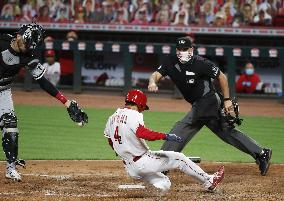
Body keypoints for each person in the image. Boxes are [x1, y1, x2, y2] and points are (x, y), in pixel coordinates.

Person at [148, 36, 272, 176]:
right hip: (200, 104)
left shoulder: (201, 63)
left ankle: (163, 164)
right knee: (225, 131)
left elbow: (222, 77)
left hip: (208, 101)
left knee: (182, 127)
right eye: (179, 49)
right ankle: (261, 153)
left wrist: (227, 100)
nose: (182, 51)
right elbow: (156, 74)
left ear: (191, 49)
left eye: (185, 49)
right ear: (176, 50)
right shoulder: (170, 62)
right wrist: (152, 82)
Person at [0, 23, 88, 181]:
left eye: (30, 46)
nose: (27, 48)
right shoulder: (3, 42)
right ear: (19, 36)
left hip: (3, 90)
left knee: (11, 124)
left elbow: (43, 82)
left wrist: (66, 102)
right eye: (26, 44)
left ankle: (11, 167)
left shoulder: (29, 56)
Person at [104, 89, 225, 192]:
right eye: (142, 108)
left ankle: (144, 192)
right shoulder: (134, 114)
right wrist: (165, 136)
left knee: (164, 183)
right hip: (144, 162)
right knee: (179, 158)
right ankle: (209, 181)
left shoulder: (112, 117)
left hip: (130, 168)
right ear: (140, 104)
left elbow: (110, 140)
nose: (142, 110)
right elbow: (143, 133)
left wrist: (122, 149)